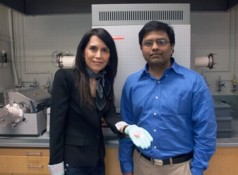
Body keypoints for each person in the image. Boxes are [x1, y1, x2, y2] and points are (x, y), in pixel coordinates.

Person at [48, 28, 153, 175]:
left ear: (110, 56)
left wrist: (128, 129)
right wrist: (56, 165)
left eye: (105, 50)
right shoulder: (65, 77)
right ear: (83, 52)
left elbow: (110, 116)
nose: (99, 55)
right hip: (73, 162)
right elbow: (56, 126)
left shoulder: (104, 82)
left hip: (97, 159)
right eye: (93, 48)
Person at [119, 21, 217, 175]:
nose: (155, 47)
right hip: (142, 165)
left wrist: (197, 170)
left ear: (172, 47)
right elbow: (126, 129)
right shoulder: (132, 84)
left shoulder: (194, 83)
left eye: (161, 42)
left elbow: (205, 131)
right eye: (148, 43)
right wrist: (126, 166)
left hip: (182, 168)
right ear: (141, 49)